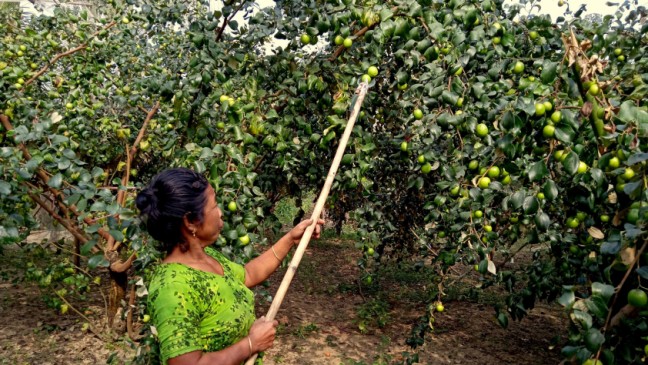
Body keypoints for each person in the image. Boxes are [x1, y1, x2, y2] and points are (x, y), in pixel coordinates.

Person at [136, 168, 324, 365]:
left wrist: (290, 239)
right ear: (190, 221)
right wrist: (250, 344)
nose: (220, 213)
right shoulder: (172, 287)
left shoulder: (206, 257)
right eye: (214, 206)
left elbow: (249, 274)